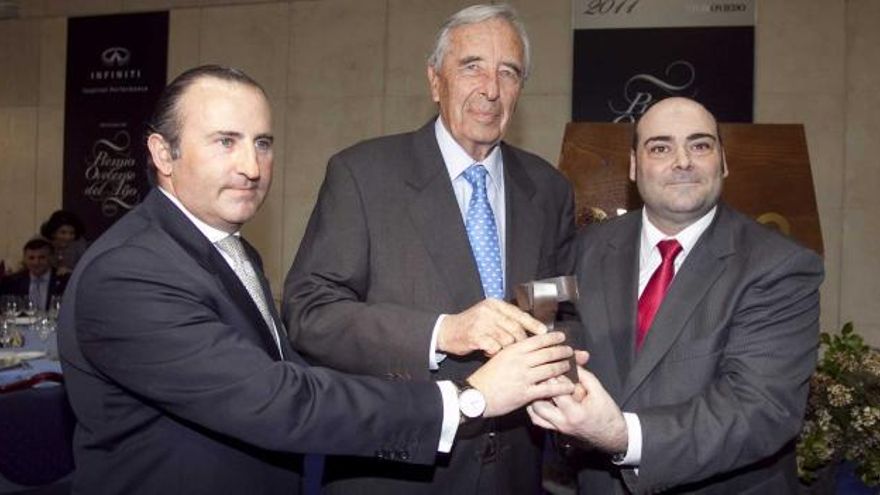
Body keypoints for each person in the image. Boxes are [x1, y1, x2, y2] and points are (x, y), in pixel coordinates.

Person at [57, 65, 579, 495]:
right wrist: (470, 397)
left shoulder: (231, 250)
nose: (252, 166)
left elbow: (292, 371)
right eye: (225, 141)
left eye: (262, 143)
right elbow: (277, 401)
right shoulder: (130, 272)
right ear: (162, 154)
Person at [283, 4, 576, 493]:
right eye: (472, 67)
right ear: (435, 80)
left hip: (514, 475)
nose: (490, 88)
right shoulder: (363, 175)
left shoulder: (549, 190)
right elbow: (309, 313)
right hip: (398, 471)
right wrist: (443, 331)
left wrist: (560, 362)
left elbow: (557, 310)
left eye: (509, 72)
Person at [527, 97, 825, 493]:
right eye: (660, 147)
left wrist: (624, 436)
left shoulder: (780, 266)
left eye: (700, 145)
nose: (682, 160)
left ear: (723, 161)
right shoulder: (584, 250)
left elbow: (761, 410)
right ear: (634, 166)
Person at [0, 238, 68, 311]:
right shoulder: (12, 281)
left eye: (42, 257)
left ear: (51, 258)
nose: (36, 262)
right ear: (24, 259)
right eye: (31, 258)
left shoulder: (65, 281)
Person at [40, 209, 88, 275]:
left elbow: (86, 269)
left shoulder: (79, 244)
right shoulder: (42, 244)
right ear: (53, 233)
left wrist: (71, 272)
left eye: (72, 233)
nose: (67, 237)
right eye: (63, 232)